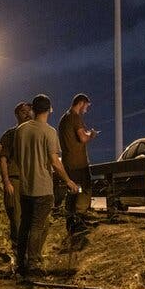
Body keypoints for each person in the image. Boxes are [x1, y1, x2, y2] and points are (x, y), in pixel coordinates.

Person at [14, 95, 79, 278]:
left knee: (24, 225)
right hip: (42, 187)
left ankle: (20, 262)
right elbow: (55, 161)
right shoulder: (49, 132)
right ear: (50, 109)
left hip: (25, 186)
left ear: (33, 109)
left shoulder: (21, 130)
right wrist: (68, 180)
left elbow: (18, 158)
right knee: (37, 226)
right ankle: (33, 263)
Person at [58, 94, 98, 234]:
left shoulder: (64, 118)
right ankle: (79, 221)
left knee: (74, 191)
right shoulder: (75, 117)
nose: (86, 109)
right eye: (86, 106)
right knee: (83, 190)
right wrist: (91, 135)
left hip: (68, 163)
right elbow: (82, 138)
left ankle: (72, 223)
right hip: (79, 164)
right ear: (81, 103)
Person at [0, 102, 33, 251]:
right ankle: (18, 251)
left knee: (31, 217)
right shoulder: (10, 134)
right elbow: (3, 159)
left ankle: (29, 251)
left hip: (31, 180)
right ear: (17, 114)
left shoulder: (34, 133)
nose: (27, 114)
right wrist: (6, 181)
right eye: (23, 111)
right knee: (17, 217)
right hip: (16, 180)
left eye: (29, 111)